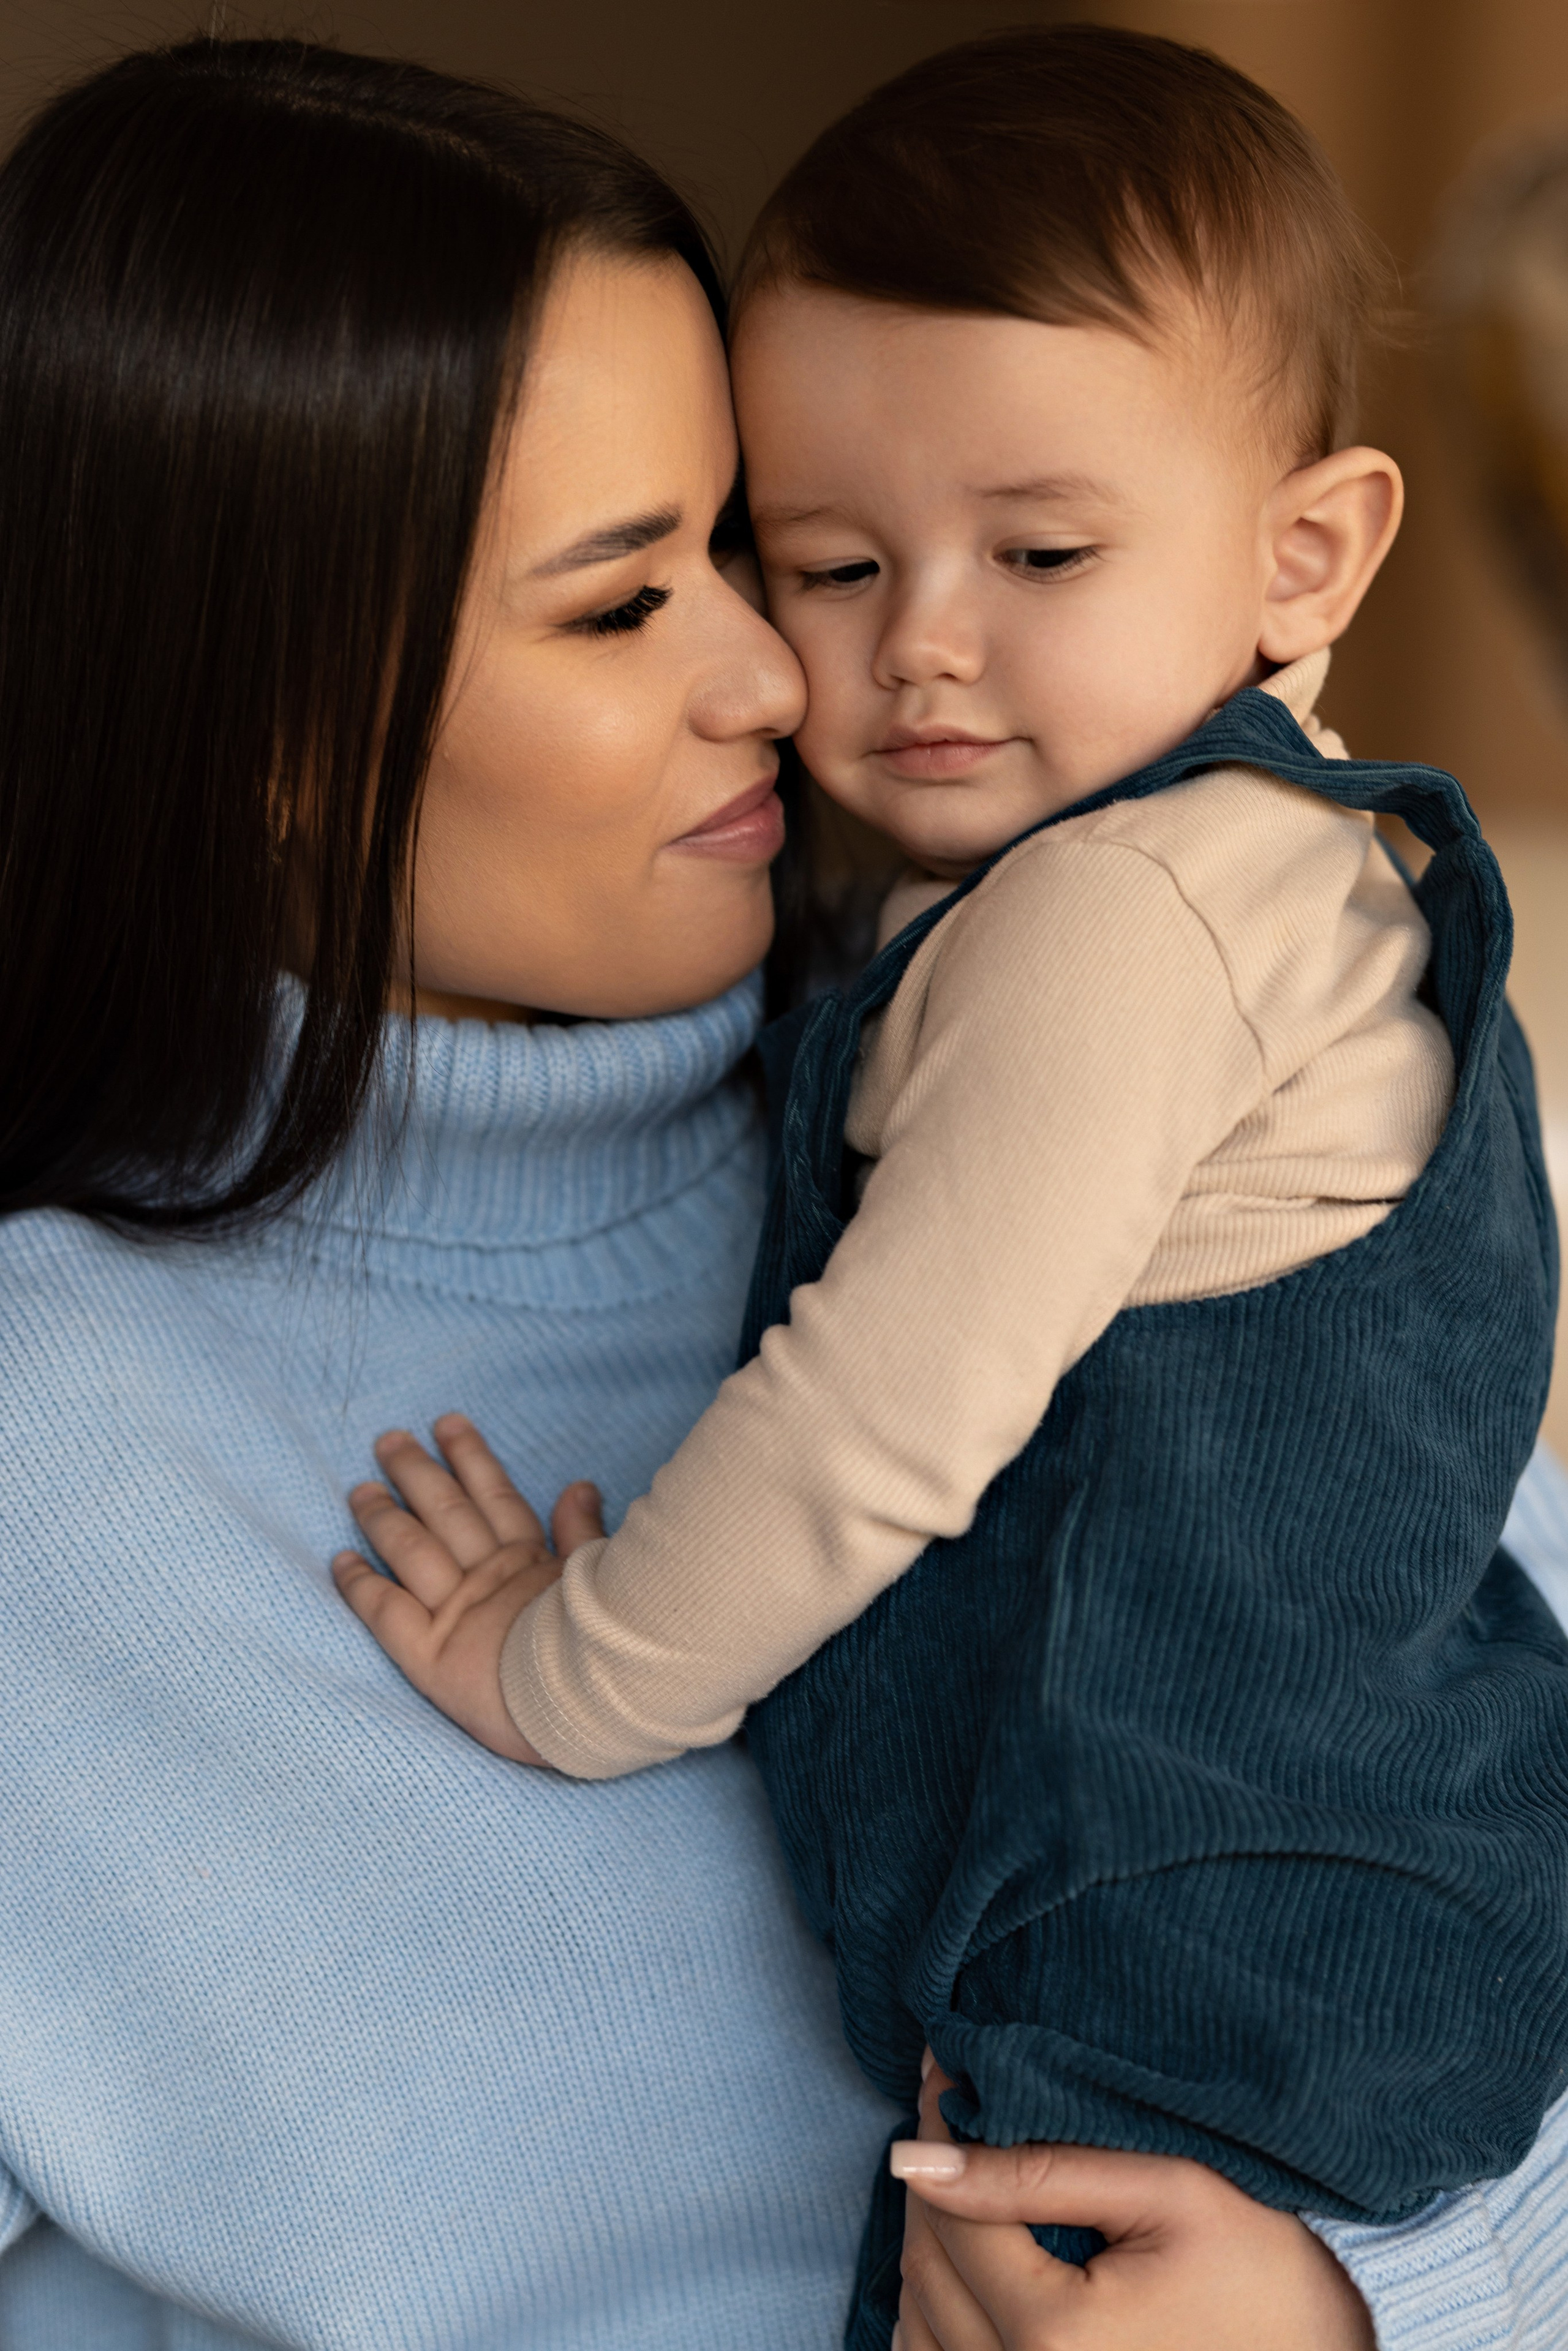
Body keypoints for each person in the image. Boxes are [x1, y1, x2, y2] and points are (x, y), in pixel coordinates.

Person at [0, 32, 1559, 2351]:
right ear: (275, 736)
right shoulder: (57, 1456)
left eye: (750, 540)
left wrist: (1366, 2309)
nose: (793, 669)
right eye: (636, 599)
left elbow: (1478, 1840)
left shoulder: (1161, 1118)